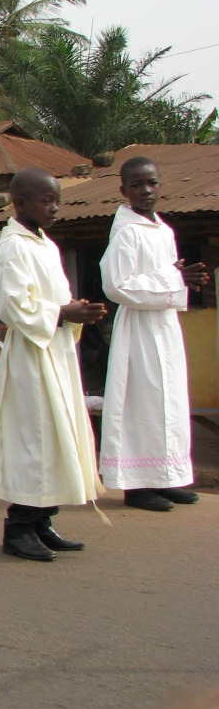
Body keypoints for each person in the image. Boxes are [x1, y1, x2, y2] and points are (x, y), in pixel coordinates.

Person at [0, 166, 106, 561]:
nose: (55, 207)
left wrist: (77, 312)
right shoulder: (13, 247)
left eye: (58, 200)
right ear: (20, 203)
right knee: (36, 441)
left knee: (58, 437)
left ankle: (43, 521)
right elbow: (10, 303)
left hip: (55, 352)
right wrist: (62, 312)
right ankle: (18, 528)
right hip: (30, 357)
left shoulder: (44, 244)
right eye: (47, 200)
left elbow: (56, 297)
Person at [99, 156, 209, 512]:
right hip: (140, 330)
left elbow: (165, 274)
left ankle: (168, 476)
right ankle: (137, 485)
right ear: (124, 190)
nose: (146, 191)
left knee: (170, 402)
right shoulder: (127, 232)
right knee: (143, 404)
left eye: (152, 183)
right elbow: (116, 285)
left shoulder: (163, 230)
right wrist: (176, 279)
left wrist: (183, 275)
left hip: (165, 326)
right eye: (137, 185)